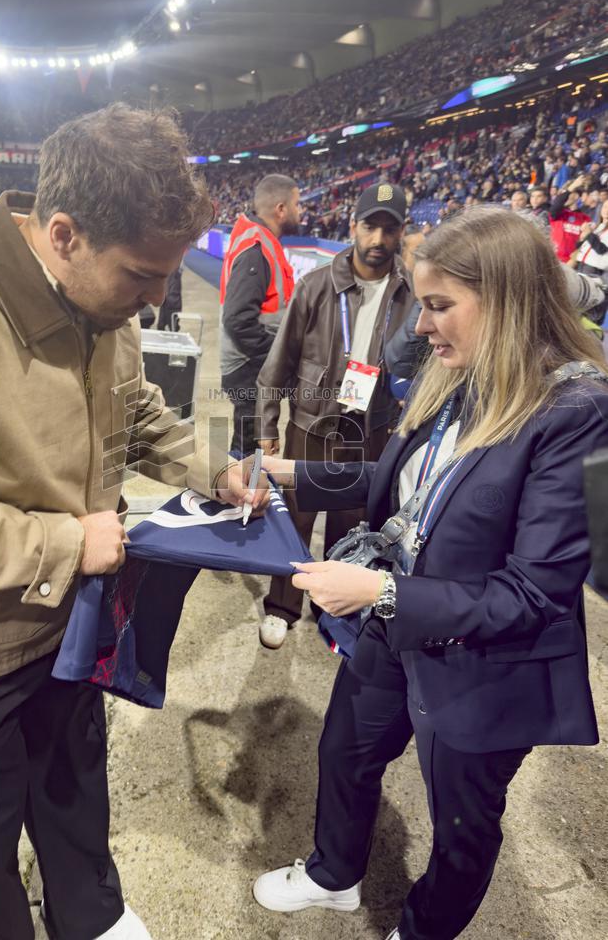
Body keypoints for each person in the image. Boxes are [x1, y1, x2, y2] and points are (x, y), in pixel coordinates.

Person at [0, 104, 266, 940]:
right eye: (142, 275)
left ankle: (93, 916)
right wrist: (68, 542)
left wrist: (211, 471)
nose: (158, 299)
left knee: (76, 780)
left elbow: (138, 411)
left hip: (70, 622)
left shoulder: (103, 307)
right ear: (66, 233)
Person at [253, 206, 608, 940]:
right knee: (346, 750)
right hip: (399, 624)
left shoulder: (579, 412)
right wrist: (280, 469)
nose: (420, 325)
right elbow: (394, 484)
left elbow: (537, 595)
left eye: (440, 306)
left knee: (462, 822)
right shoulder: (460, 376)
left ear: (506, 301)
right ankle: (334, 874)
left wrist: (380, 590)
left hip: (487, 662)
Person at [255, 183, 414, 649]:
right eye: (371, 226)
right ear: (353, 227)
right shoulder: (316, 286)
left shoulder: (410, 294)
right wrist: (265, 428)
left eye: (389, 228)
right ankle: (283, 607)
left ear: (401, 232)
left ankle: (332, 613)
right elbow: (276, 366)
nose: (379, 238)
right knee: (296, 522)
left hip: (371, 431)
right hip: (311, 425)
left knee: (354, 529)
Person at [219, 173, 300, 456]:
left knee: (249, 452)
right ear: (281, 209)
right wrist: (278, 356)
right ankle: (239, 498)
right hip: (248, 368)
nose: (300, 211)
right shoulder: (257, 246)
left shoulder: (260, 240)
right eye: (297, 204)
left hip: (252, 365)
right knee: (248, 456)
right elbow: (238, 318)